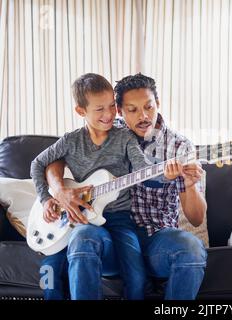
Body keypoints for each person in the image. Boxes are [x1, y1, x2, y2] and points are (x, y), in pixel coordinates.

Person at [46, 73, 208, 300]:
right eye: (132, 110)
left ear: (158, 104)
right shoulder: (107, 129)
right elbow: (55, 158)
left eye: (149, 107)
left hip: (156, 239)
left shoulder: (180, 147)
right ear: (119, 111)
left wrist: (188, 185)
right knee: (82, 237)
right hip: (107, 233)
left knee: (191, 248)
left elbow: (197, 218)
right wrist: (59, 190)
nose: (143, 116)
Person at [30, 73, 159, 300]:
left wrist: (164, 172)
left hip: (119, 218)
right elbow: (38, 163)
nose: (109, 114)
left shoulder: (125, 138)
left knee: (137, 277)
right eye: (99, 109)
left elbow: (144, 169)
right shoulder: (71, 141)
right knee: (48, 274)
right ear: (81, 111)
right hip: (77, 216)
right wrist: (47, 198)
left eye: (111, 106)